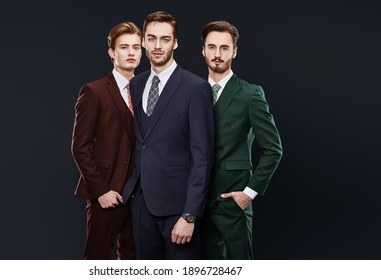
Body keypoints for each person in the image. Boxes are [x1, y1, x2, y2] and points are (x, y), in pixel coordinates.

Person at [121, 11, 214, 259]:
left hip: (178, 208)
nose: (157, 46)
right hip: (141, 203)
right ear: (143, 42)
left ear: (175, 43)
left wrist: (190, 214)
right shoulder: (136, 84)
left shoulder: (196, 88)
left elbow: (202, 156)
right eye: (151, 38)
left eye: (164, 39)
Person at [201, 20, 283, 259]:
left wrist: (249, 193)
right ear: (203, 49)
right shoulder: (192, 92)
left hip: (233, 201)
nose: (217, 54)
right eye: (212, 47)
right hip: (198, 203)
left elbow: (273, 149)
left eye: (224, 48)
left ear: (234, 51)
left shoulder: (250, 93)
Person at [71, 22, 142, 259]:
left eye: (136, 47)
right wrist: (101, 190)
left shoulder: (147, 92)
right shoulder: (94, 91)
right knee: (96, 259)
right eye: (124, 47)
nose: (131, 52)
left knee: (132, 260)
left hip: (139, 195)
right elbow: (80, 147)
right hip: (107, 193)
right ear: (112, 52)